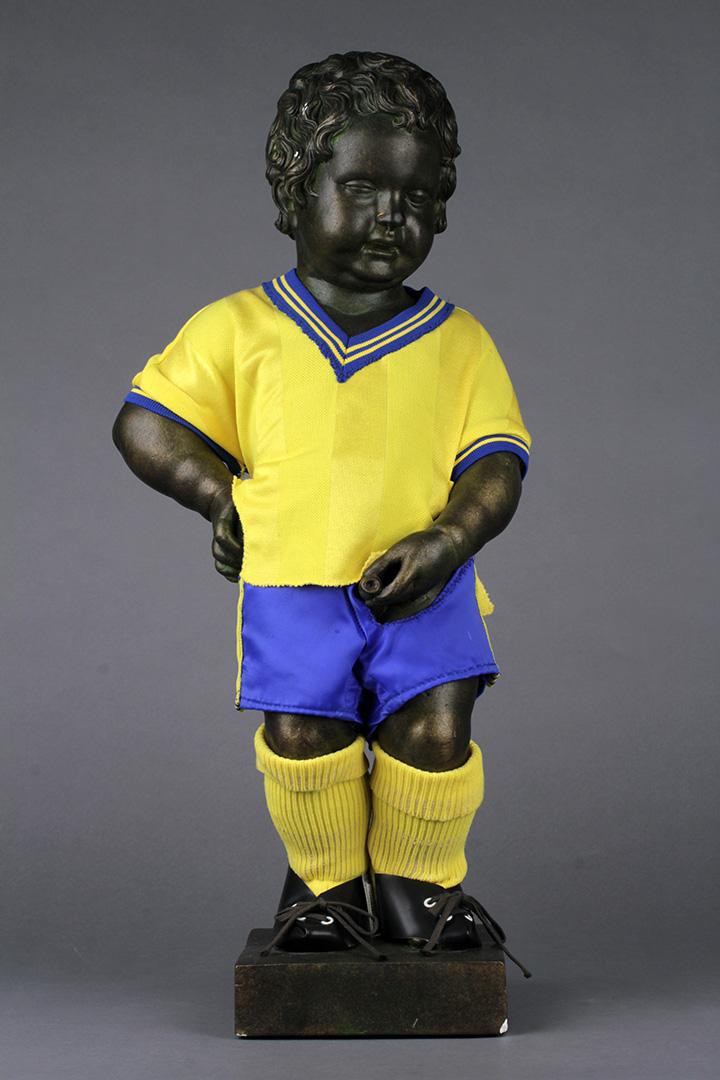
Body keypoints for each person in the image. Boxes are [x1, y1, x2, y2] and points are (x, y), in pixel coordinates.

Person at [112, 51, 532, 975]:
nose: (391, 215)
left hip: (427, 584)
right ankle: (324, 891)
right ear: (296, 191)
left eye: (416, 196)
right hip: (294, 581)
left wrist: (452, 537)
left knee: (436, 731)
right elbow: (145, 424)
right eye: (364, 187)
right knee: (303, 735)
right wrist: (217, 496)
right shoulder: (239, 329)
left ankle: (421, 890)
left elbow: (497, 464)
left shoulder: (459, 341)